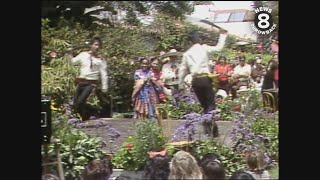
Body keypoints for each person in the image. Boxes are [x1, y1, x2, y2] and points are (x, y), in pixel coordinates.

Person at [178, 30, 228, 136]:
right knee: (210, 104)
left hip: (195, 80)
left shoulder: (187, 54)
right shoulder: (203, 48)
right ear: (199, 40)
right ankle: (210, 128)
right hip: (205, 79)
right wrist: (223, 35)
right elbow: (219, 48)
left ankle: (210, 128)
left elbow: (182, 70)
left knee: (204, 105)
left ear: (191, 42)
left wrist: (180, 83)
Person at [66, 37, 108, 121]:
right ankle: (85, 117)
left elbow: (104, 73)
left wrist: (104, 86)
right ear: (91, 45)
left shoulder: (100, 59)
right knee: (76, 104)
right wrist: (69, 54)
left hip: (91, 83)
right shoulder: (83, 54)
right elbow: (73, 62)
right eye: (95, 45)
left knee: (81, 101)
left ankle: (89, 114)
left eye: (99, 45)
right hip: (81, 81)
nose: (97, 47)